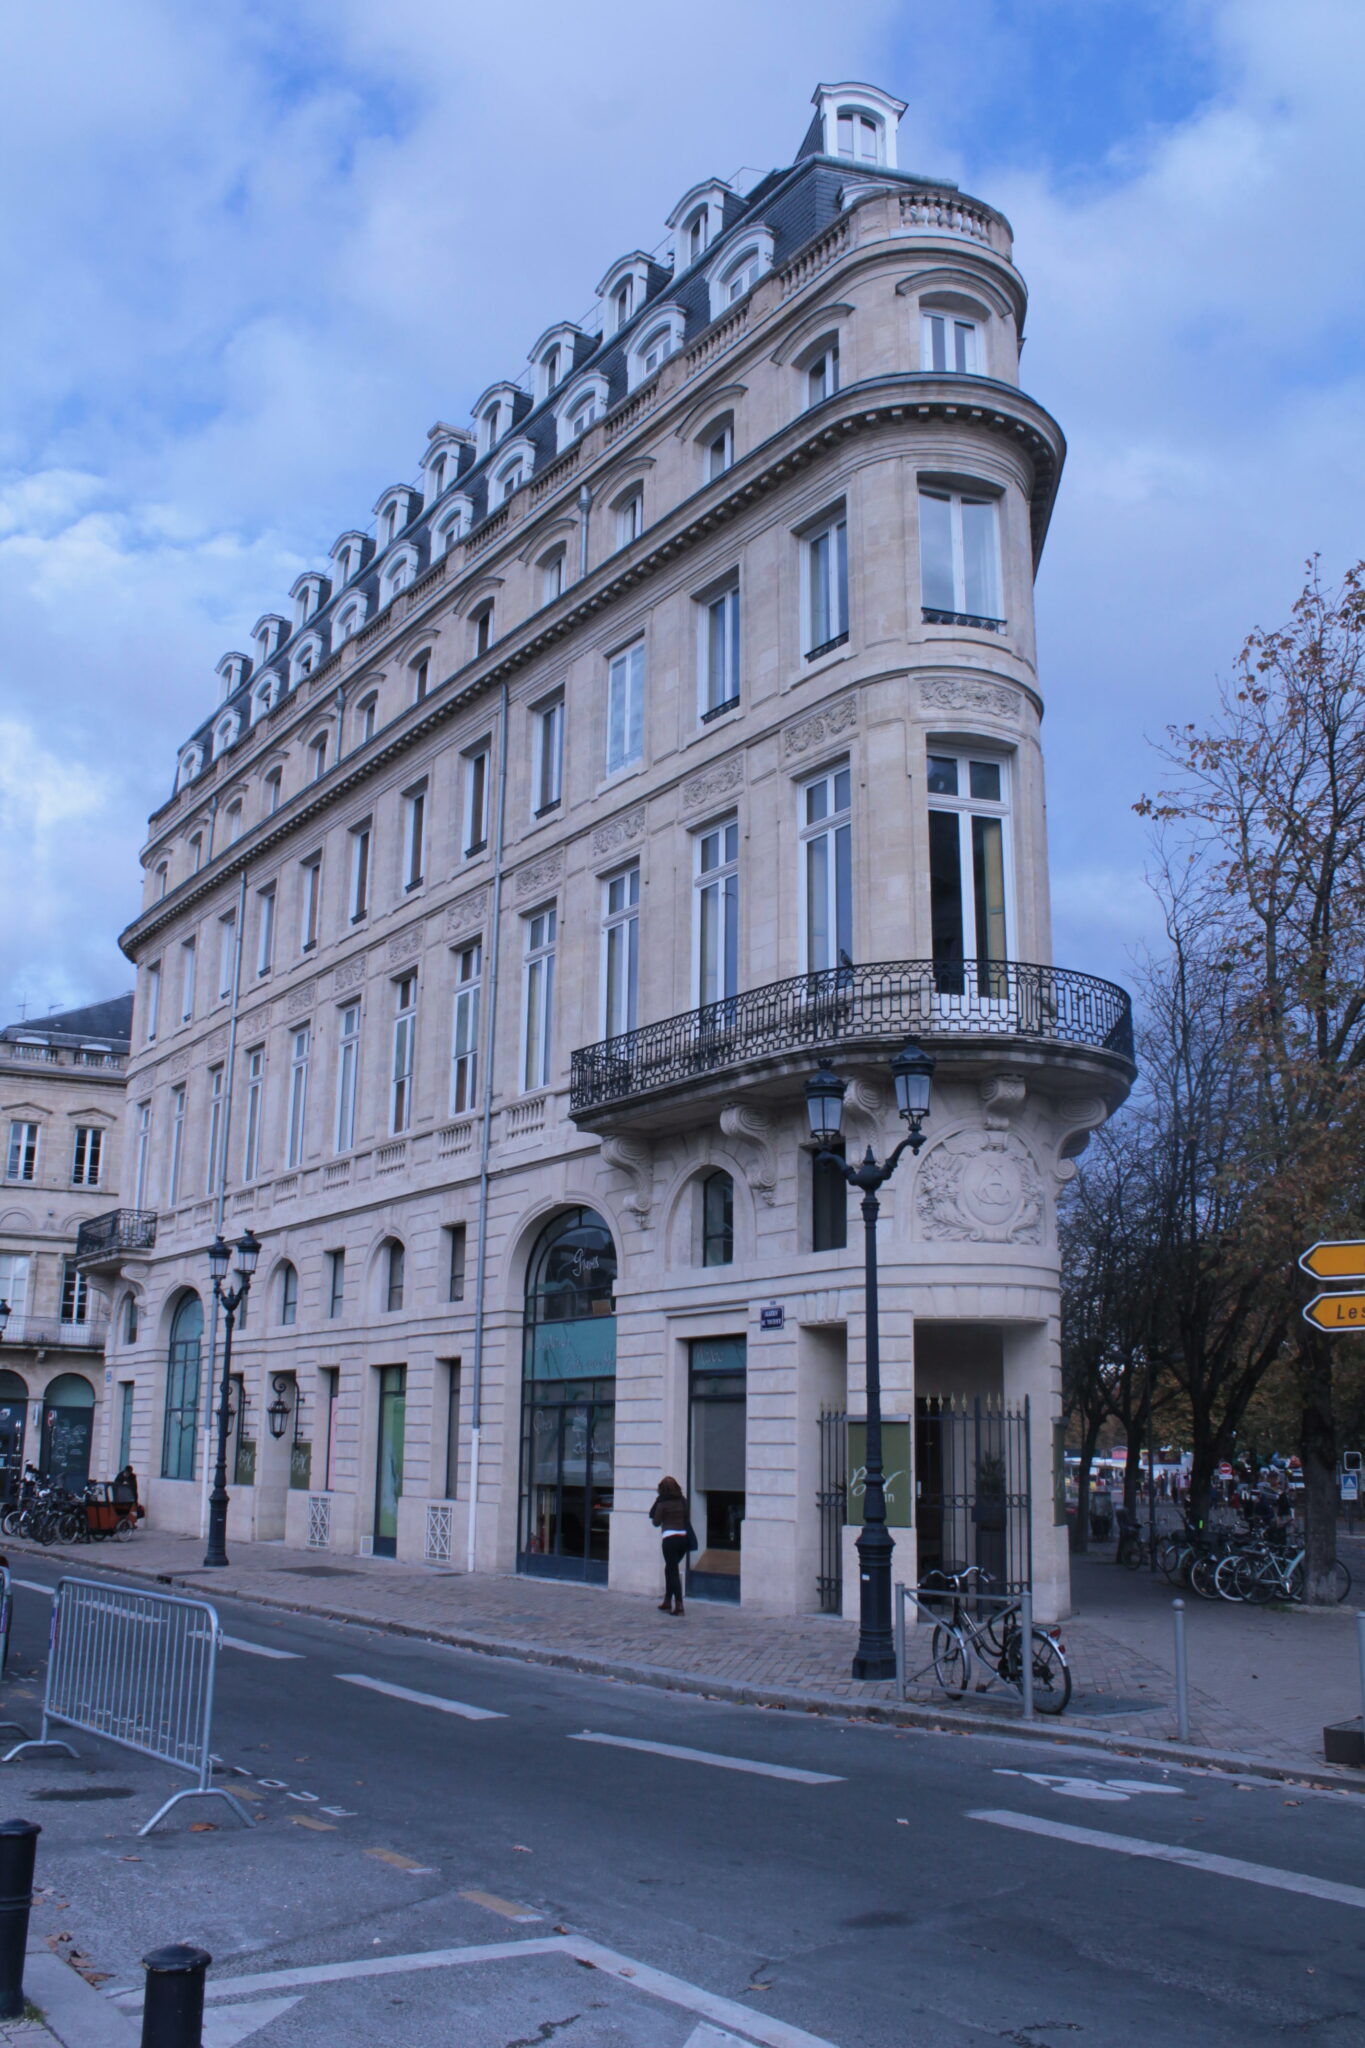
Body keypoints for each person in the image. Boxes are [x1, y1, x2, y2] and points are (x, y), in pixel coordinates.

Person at [649, 1475, 690, 1617]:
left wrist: (658, 1502)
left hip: (669, 1539)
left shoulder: (662, 1503)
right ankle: (667, 1600)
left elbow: (655, 1522)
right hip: (683, 1539)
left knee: (672, 1571)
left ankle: (679, 1605)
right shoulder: (682, 1501)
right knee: (670, 1568)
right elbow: (686, 1517)